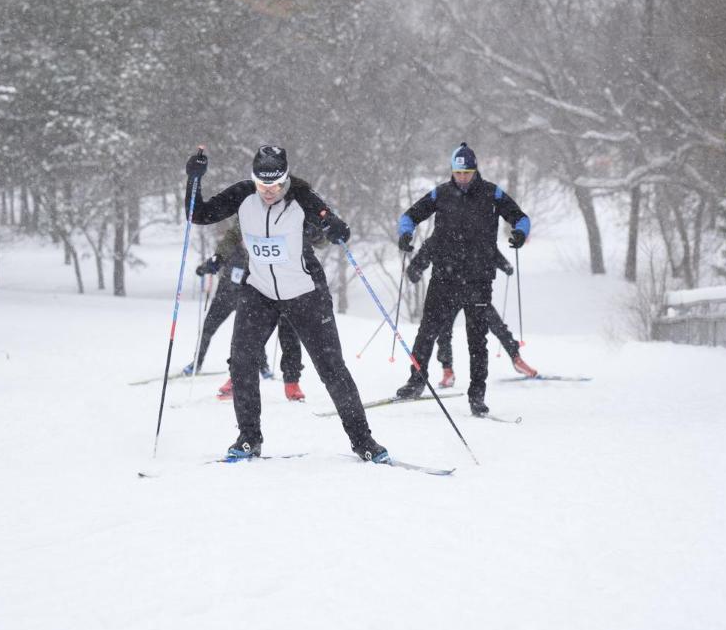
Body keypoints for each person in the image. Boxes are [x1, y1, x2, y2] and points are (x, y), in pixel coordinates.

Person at [185, 145, 389, 462]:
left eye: (277, 184)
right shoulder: (242, 195)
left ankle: (364, 441)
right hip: (260, 292)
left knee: (332, 369)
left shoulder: (302, 197)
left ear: (286, 179)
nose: (269, 191)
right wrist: (193, 179)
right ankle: (248, 438)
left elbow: (334, 224)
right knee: (241, 362)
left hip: (306, 293)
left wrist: (336, 227)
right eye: (262, 184)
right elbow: (197, 215)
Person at [395, 142, 530, 416]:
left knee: (477, 340)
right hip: (444, 276)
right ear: (452, 172)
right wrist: (406, 234)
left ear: (475, 170)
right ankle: (416, 381)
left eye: (467, 173)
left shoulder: (492, 193)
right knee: (427, 332)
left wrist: (519, 234)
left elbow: (521, 218)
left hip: (479, 279)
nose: (463, 178)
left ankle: (477, 395)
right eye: (458, 173)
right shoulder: (440, 194)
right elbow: (409, 215)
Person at [183, 218, 308, 401]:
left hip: (248, 299)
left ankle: (265, 369)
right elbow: (216, 259)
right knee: (209, 329)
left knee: (254, 334)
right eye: (243, 238)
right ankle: (197, 363)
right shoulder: (231, 247)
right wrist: (204, 269)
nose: (245, 241)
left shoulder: (260, 255)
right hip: (224, 298)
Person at [406, 235, 537, 388]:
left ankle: (516, 359)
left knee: (495, 324)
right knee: (445, 332)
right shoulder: (443, 232)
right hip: (450, 291)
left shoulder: (476, 230)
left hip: (473, 290)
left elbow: (489, 248)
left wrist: (504, 265)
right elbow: (428, 249)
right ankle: (447, 370)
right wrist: (414, 270)